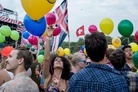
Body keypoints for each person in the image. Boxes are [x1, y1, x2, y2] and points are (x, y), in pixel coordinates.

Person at [43, 26, 71, 92]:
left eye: (61, 60)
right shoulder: (48, 77)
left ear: (64, 65)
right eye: (56, 60)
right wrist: (48, 38)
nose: (58, 60)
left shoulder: (67, 82)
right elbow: (46, 59)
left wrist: (60, 88)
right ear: (52, 65)